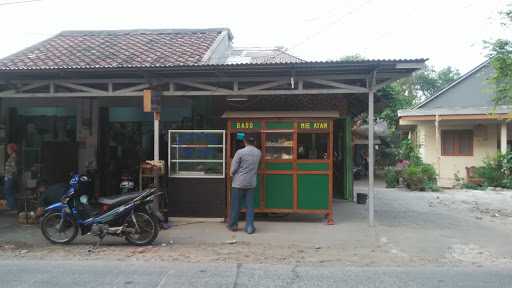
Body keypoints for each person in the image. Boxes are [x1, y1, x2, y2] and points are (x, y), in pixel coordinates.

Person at [227, 136, 261, 234]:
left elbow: (233, 169)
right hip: (251, 183)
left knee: (236, 206)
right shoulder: (258, 152)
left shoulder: (240, 152)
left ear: (244, 142)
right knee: (250, 206)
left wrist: (231, 174)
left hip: (238, 183)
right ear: (254, 142)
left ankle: (233, 225)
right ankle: (249, 227)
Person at [3, 143, 17, 212]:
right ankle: (12, 206)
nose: (7, 150)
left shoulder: (13, 157)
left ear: (11, 150)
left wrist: (8, 175)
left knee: (7, 191)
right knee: (10, 192)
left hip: (9, 177)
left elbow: (14, 168)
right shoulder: (11, 156)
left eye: (8, 149)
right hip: (9, 177)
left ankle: (12, 207)